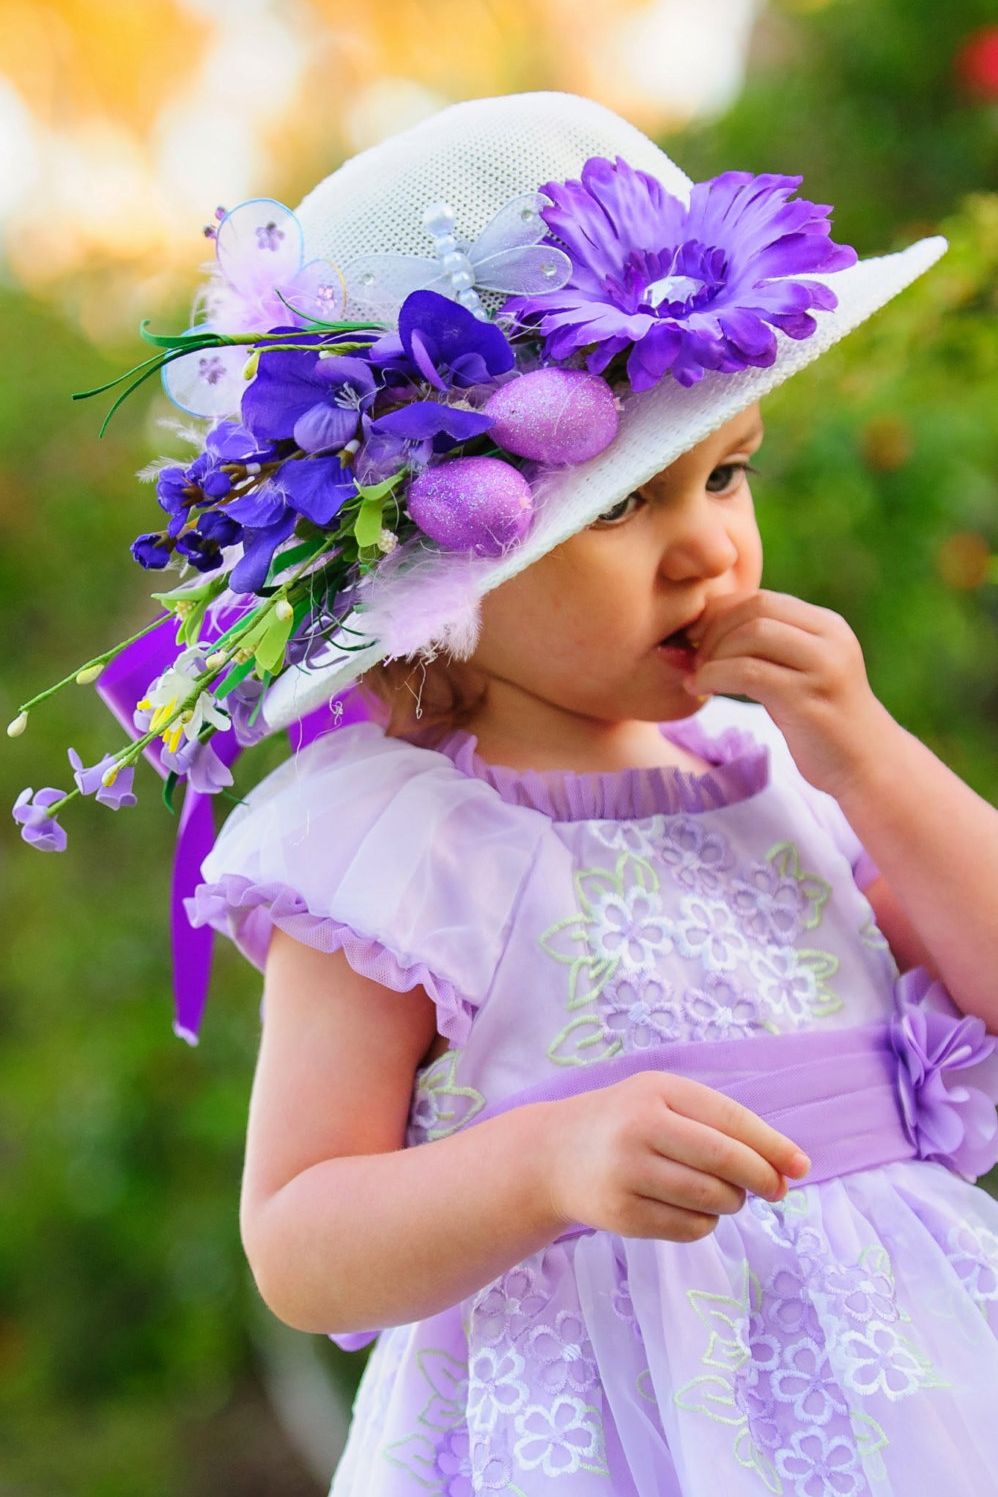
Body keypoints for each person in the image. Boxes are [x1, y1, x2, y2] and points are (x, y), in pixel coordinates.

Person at [13, 92, 998, 1494]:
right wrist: (548, 1163)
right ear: (440, 565)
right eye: (619, 507)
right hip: (594, 1428)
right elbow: (300, 1236)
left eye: (725, 473)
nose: (706, 548)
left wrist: (874, 757)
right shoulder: (400, 838)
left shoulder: (786, 770)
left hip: (903, 1399)